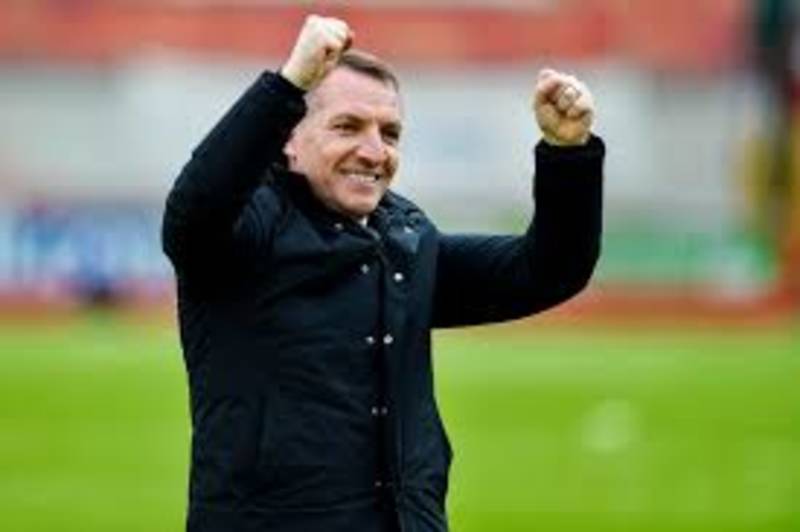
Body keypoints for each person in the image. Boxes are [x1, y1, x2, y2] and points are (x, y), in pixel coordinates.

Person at [162, 14, 604, 532]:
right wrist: (288, 83)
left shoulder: (405, 241)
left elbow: (549, 269)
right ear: (289, 139)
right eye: (347, 127)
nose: (375, 151)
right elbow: (193, 213)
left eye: (389, 133)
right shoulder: (245, 235)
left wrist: (567, 154)